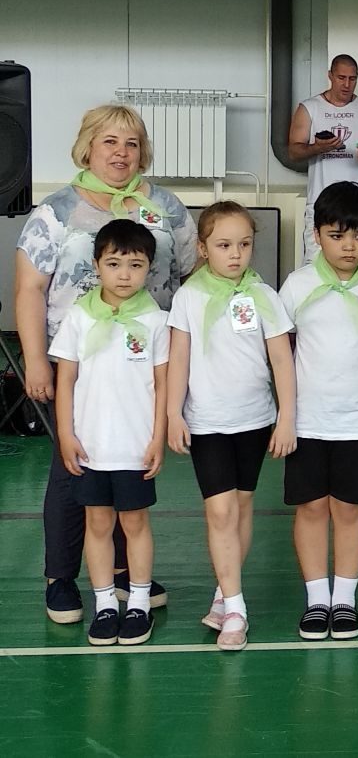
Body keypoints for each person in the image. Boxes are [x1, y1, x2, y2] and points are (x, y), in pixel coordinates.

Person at [15, 103, 197, 625]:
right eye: (110, 141)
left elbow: (192, 274)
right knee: (73, 467)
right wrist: (36, 361)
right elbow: (30, 289)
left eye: (132, 143)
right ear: (88, 147)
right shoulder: (56, 211)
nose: (121, 153)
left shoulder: (166, 208)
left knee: (129, 463)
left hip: (145, 362)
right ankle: (61, 576)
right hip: (78, 363)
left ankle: (123, 573)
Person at [165, 201, 296, 651]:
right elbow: (178, 358)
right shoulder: (188, 297)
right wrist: (173, 413)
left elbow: (282, 361)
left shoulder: (264, 296)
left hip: (254, 421)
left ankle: (225, 591)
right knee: (219, 511)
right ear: (203, 248)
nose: (235, 254)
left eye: (244, 244)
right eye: (223, 245)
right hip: (208, 423)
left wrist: (286, 417)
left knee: (240, 507)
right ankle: (237, 609)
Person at [277, 182, 358, 641]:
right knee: (311, 509)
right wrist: (284, 416)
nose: (349, 246)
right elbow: (278, 353)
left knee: (349, 510)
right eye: (336, 235)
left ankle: (344, 599)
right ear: (316, 236)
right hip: (307, 422)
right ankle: (317, 600)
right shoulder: (297, 285)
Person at [49, 220, 169, 646]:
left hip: (135, 448)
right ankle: (104, 604)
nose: (124, 274)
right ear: (97, 264)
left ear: (149, 268)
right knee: (97, 523)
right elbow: (65, 381)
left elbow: (163, 385)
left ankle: (138, 602)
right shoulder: (79, 317)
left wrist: (157, 438)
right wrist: (66, 435)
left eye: (135, 265)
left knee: (135, 523)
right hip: (91, 447)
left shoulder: (156, 321)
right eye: (114, 263)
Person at [289, 54, 358, 263]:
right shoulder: (309, 108)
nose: (346, 84)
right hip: (321, 200)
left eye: (352, 79)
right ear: (330, 76)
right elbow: (293, 151)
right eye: (341, 78)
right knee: (315, 264)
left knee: (357, 263)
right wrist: (317, 148)